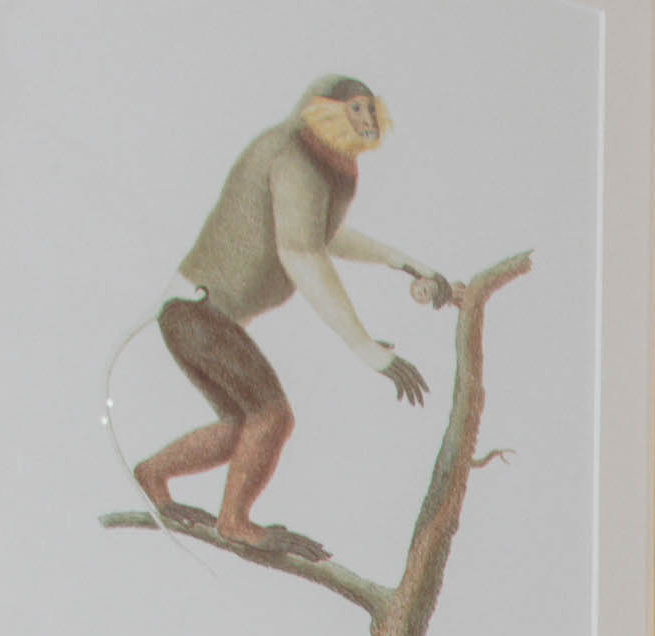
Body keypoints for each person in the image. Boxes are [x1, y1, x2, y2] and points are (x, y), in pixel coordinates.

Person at [130, 79, 455, 548]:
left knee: (240, 426)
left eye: (370, 109)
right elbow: (302, 253)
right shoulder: (294, 155)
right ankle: (236, 523)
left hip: (190, 314)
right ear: (321, 111)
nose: (366, 121)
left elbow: (322, 234)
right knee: (272, 418)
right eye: (354, 109)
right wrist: (367, 349)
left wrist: (407, 264)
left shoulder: (321, 164)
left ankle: (152, 476)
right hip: (197, 311)